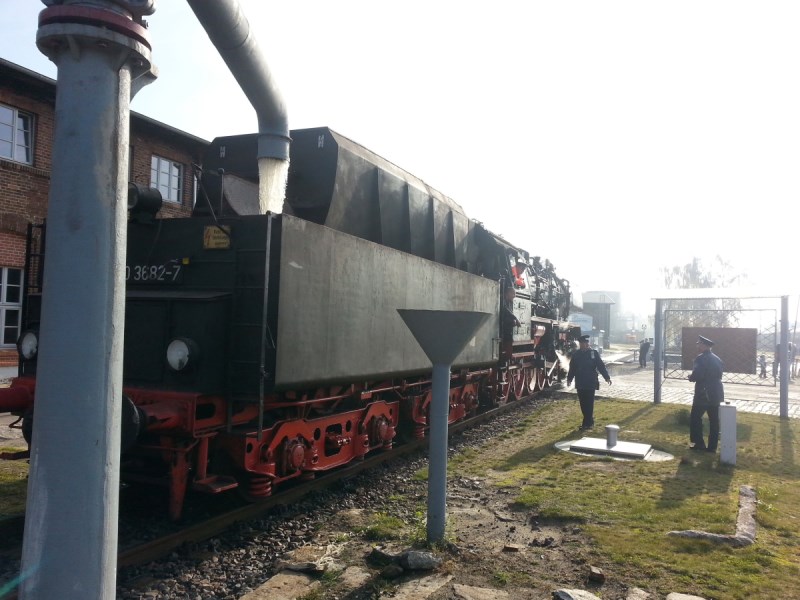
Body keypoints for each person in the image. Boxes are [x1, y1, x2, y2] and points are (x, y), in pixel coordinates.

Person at [687, 335, 724, 452]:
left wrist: (691, 377)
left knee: (695, 418)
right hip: (716, 392)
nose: (697, 346)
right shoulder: (717, 359)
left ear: (704, 345)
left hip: (703, 393)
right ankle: (712, 447)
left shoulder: (700, 358)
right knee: (714, 420)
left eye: (698, 344)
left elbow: (698, 375)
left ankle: (699, 444)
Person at [566, 334, 612, 430]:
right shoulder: (576, 354)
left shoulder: (593, 353)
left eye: (586, 343)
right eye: (583, 343)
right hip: (580, 382)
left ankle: (587, 423)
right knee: (583, 404)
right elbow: (572, 368)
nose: (585, 345)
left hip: (590, 381)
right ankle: (588, 422)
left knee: (589, 403)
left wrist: (607, 377)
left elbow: (600, 366)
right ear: (580, 344)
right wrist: (569, 379)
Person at [500, 286, 521, 360]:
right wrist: (515, 318)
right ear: (508, 293)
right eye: (513, 294)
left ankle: (508, 354)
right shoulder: (502, 299)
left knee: (509, 337)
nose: (514, 296)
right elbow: (505, 310)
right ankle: (507, 354)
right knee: (508, 337)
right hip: (501, 326)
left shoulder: (508, 301)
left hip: (505, 326)